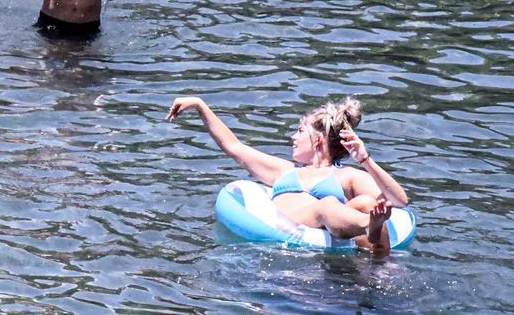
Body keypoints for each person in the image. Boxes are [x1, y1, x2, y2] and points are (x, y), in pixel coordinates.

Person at [166, 96, 408, 254]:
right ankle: (368, 226)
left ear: (317, 140)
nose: (293, 137)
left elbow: (399, 202)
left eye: (300, 130)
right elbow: (234, 146)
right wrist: (200, 105)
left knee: (364, 202)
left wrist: (364, 158)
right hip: (311, 218)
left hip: (331, 221)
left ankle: (371, 232)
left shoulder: (346, 176)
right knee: (328, 204)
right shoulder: (285, 170)